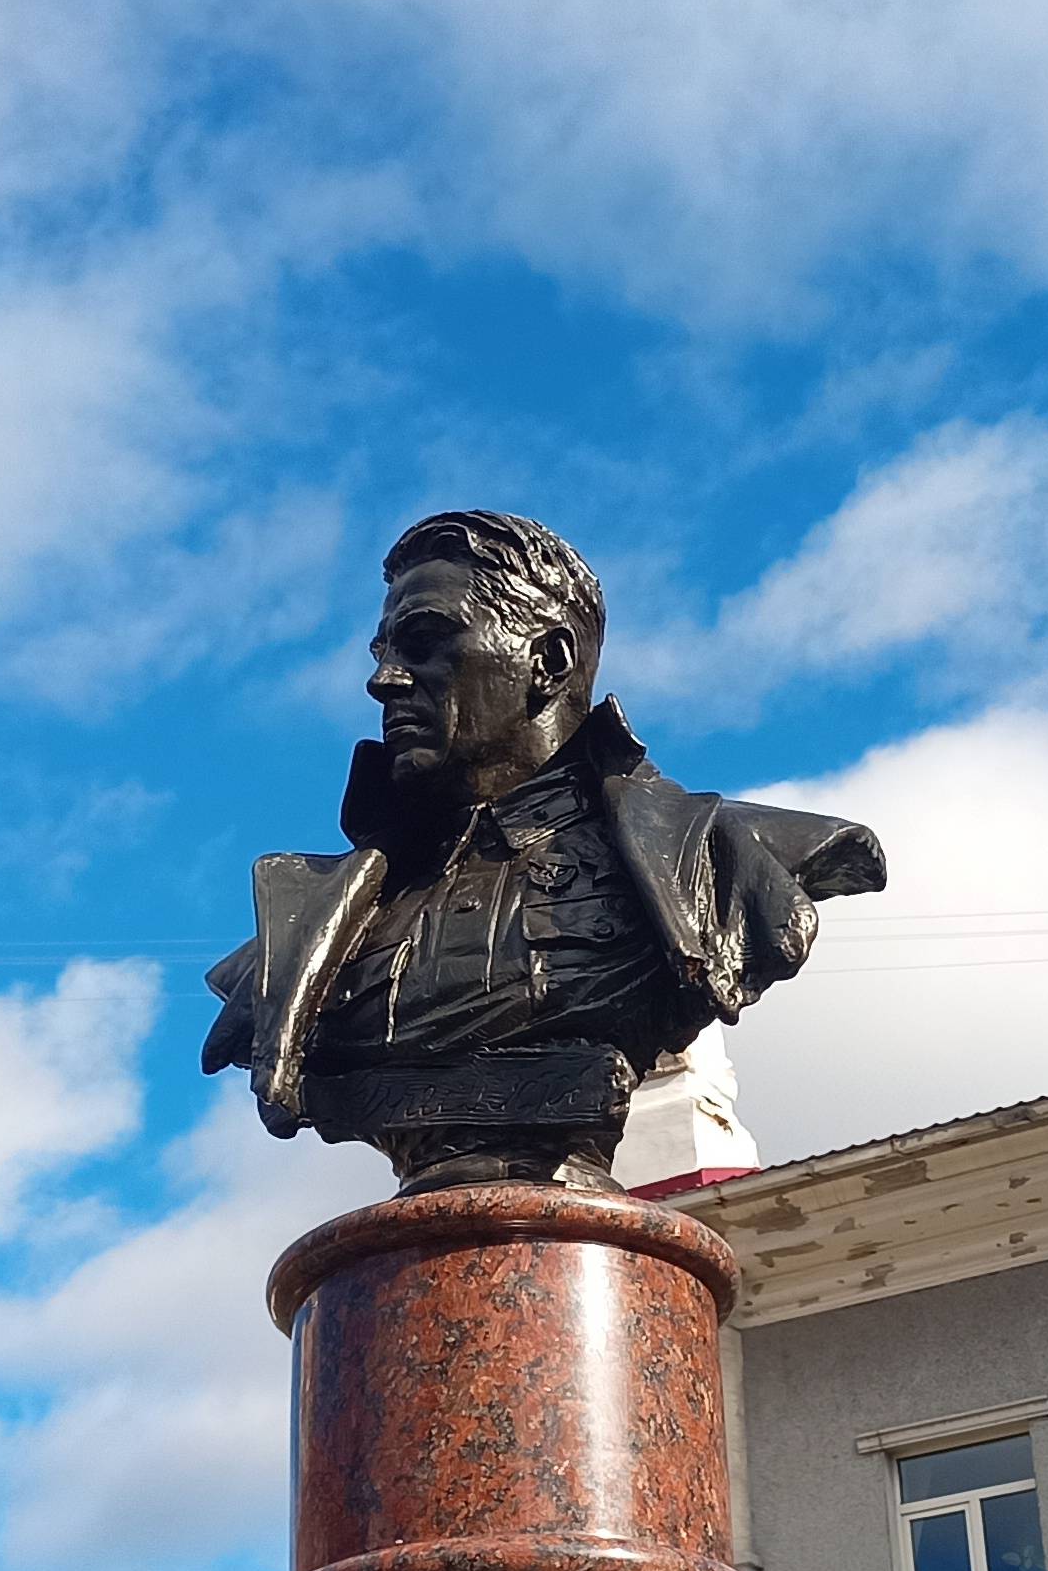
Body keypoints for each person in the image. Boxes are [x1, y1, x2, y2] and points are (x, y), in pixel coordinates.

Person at [201, 509, 883, 1191]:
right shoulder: (298, 934)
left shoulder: (725, 856)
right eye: (381, 652)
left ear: (547, 663)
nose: (384, 680)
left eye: (423, 642)